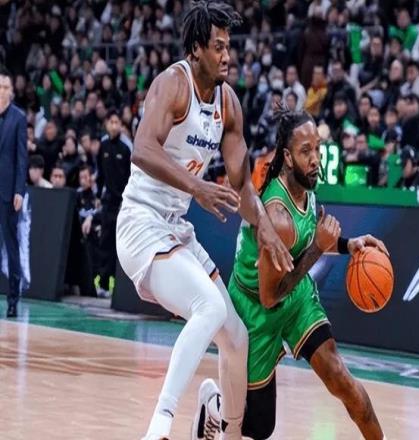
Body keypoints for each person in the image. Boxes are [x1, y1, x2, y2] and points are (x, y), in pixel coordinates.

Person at [115, 3, 293, 440]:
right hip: (140, 223)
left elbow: (243, 186)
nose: (226, 55)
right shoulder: (173, 84)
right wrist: (197, 188)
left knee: (236, 336)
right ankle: (159, 426)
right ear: (196, 49)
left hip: (175, 228)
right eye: (218, 47)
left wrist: (267, 233)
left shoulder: (228, 103)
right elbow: (142, 149)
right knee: (209, 307)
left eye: (228, 46)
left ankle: (223, 426)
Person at [194, 109, 388, 440]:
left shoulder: (305, 185)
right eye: (305, 151)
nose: (315, 159)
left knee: (341, 378)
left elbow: (307, 241)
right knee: (258, 427)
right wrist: (318, 249)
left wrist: (348, 244)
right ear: (287, 157)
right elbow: (270, 296)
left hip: (295, 296)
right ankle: (213, 406)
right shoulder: (277, 216)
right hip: (256, 309)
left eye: (317, 149)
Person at [95, 109, 132, 297]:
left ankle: (117, 286)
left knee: (121, 244)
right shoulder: (103, 147)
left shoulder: (125, 150)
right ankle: (102, 284)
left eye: (117, 122)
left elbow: (129, 178)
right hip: (107, 202)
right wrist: (98, 196)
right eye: (112, 122)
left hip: (122, 203)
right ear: (106, 124)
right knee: (105, 242)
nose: (114, 126)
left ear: (121, 126)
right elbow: (100, 175)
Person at [0, 69, 28, 318]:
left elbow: (22, 157)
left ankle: (13, 299)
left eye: (5, 87)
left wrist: (20, 190)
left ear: (11, 91)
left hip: (9, 192)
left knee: (11, 246)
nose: (2, 91)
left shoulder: (18, 117)